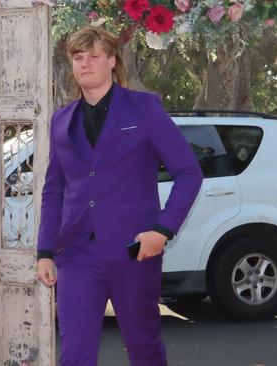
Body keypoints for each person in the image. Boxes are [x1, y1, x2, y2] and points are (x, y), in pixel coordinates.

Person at [36, 26, 203, 366]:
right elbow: (54, 188)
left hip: (133, 251)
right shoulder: (60, 121)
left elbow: (189, 173)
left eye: (94, 56)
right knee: (75, 355)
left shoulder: (144, 109)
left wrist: (162, 231)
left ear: (112, 60)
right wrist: (44, 250)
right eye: (78, 57)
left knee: (144, 348)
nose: (85, 64)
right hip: (77, 253)